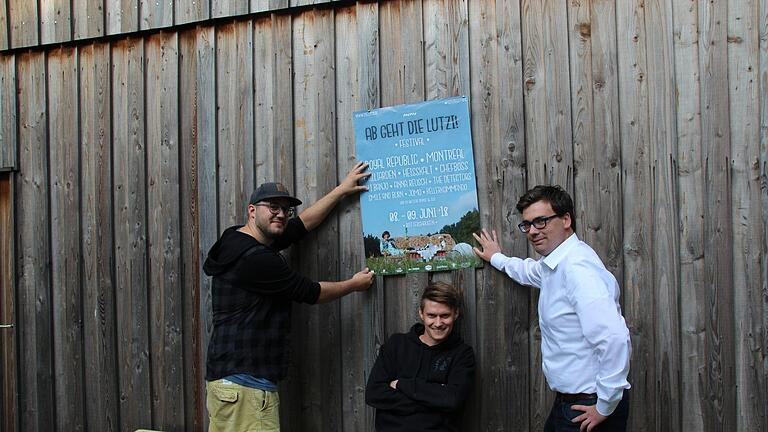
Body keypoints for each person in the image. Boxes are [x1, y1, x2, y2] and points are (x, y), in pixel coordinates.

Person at [203, 162, 374, 432]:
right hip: (247, 386)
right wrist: (354, 284)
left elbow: (300, 225)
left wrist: (341, 190)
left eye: (285, 209)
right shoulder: (256, 259)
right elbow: (310, 292)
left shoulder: (236, 239)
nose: (281, 214)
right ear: (252, 211)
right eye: (273, 207)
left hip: (231, 383)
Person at [473, 185, 631, 432]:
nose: (533, 231)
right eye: (527, 224)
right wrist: (496, 258)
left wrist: (604, 406)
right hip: (570, 402)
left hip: (589, 404)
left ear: (566, 219)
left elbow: (614, 338)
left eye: (541, 221)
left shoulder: (577, 270)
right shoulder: (556, 264)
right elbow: (529, 271)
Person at [365, 281, 475, 432]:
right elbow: (374, 394)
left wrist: (402, 385)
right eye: (431, 315)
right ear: (421, 314)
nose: (438, 323)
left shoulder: (462, 354)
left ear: (455, 314)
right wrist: (435, 396)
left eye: (444, 316)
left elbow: (452, 400)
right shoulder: (396, 345)